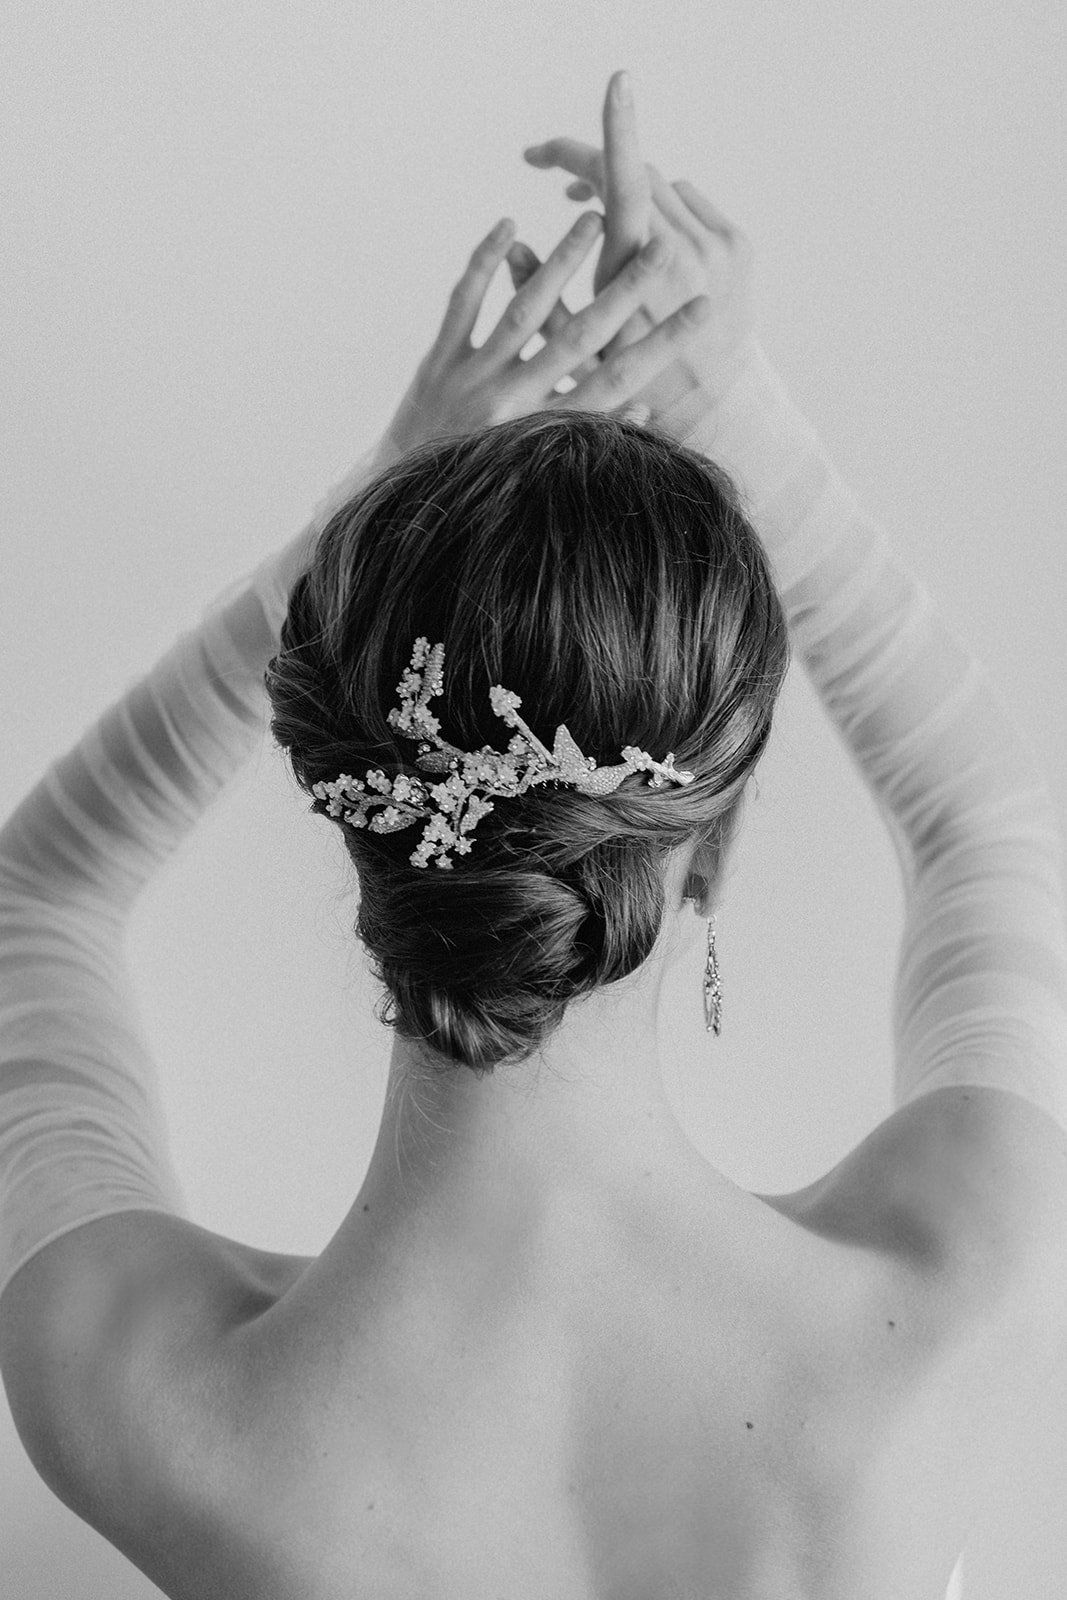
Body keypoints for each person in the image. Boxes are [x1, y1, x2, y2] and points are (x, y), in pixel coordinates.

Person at [1, 68, 1065, 1600]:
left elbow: (34, 892)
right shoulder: (964, 1295)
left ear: (356, 805)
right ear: (714, 842)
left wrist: (363, 524)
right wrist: (726, 396)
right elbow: (988, 827)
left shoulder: (149, 1400)